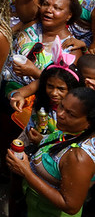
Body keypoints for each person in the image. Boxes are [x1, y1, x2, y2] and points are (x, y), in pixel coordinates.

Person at [7, 87, 95, 216]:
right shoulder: (71, 131)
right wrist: (42, 141)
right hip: (33, 205)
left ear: (89, 123)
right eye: (61, 106)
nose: (60, 114)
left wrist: (26, 172)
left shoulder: (79, 158)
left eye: (71, 114)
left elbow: (70, 206)